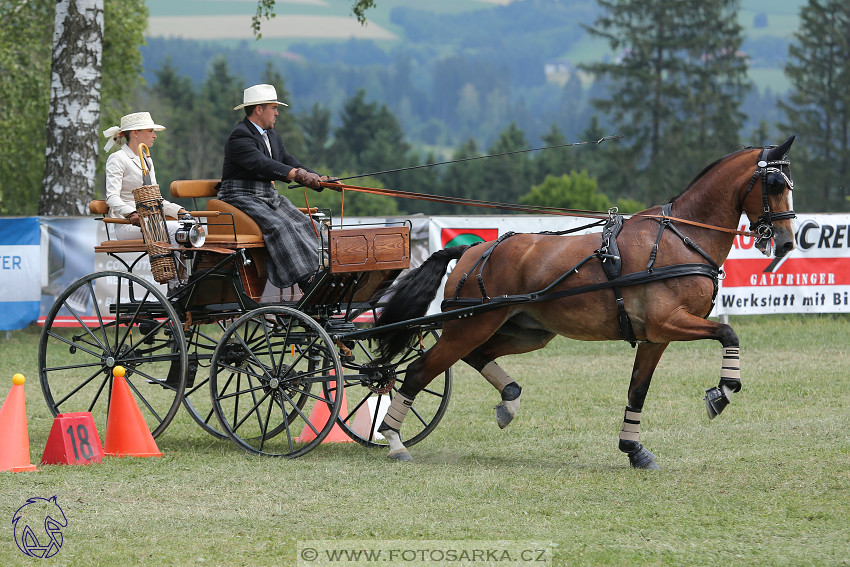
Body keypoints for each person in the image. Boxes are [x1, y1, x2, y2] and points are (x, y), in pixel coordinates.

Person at [218, 83, 336, 291]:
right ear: (259, 109)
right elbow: (263, 164)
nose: (277, 113)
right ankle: (308, 279)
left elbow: (289, 161)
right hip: (239, 197)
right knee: (281, 227)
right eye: (273, 108)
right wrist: (298, 176)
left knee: (307, 224)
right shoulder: (240, 137)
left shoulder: (272, 136)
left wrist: (322, 179)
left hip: (267, 195)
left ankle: (328, 269)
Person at [102, 112, 187, 241]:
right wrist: (131, 213)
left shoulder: (147, 159)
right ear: (135, 133)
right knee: (177, 230)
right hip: (128, 225)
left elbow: (155, 199)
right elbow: (112, 197)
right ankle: (175, 261)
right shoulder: (117, 158)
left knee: (190, 227)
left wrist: (180, 211)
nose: (155, 136)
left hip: (151, 220)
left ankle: (177, 261)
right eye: (151, 131)